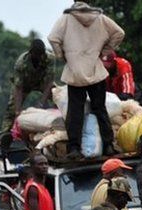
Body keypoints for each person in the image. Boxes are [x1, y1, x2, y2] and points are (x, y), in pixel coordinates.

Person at [48, 1, 125, 160]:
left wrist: (62, 56)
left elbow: (52, 38)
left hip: (75, 72)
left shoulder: (66, 18)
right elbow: (119, 33)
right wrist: (104, 51)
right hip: (95, 70)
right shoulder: (100, 17)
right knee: (100, 109)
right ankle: (109, 145)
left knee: (75, 112)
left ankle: (75, 148)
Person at [2, 39, 55, 132]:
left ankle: (63, 123)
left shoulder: (49, 58)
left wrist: (41, 103)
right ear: (31, 53)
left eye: (41, 54)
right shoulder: (21, 63)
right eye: (37, 54)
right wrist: (18, 110)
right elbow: (18, 88)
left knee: (57, 95)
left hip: (41, 82)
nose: (39, 57)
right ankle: (5, 133)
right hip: (25, 84)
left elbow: (49, 83)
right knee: (11, 109)